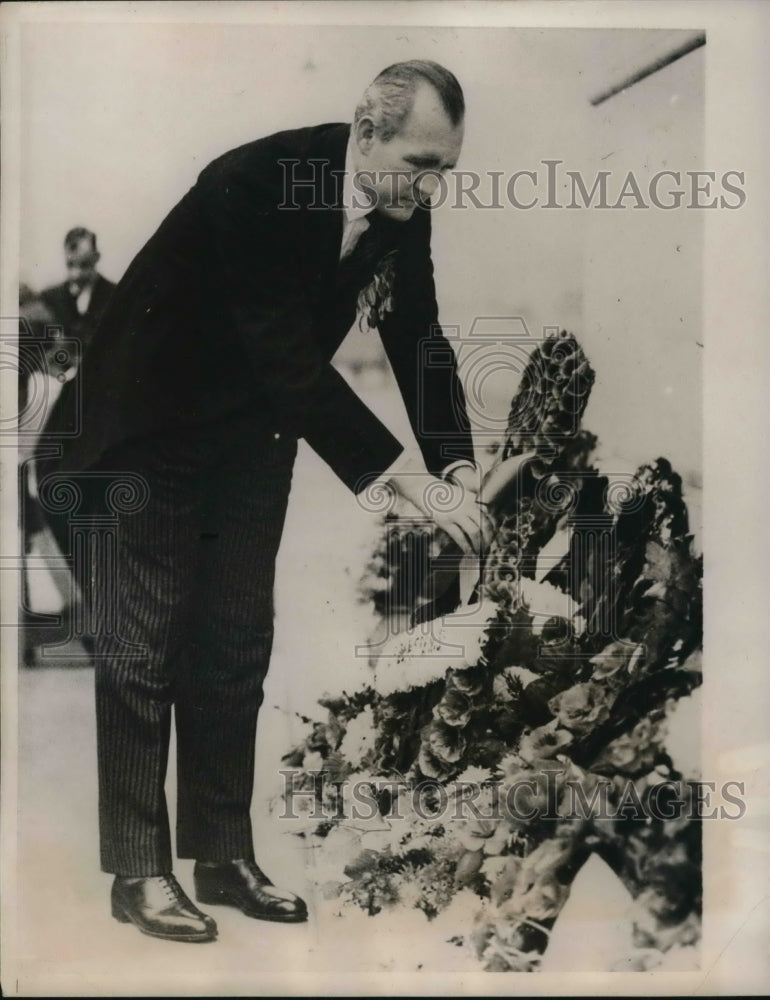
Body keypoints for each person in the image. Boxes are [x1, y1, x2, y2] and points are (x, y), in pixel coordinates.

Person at [38, 60, 490, 944]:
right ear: (367, 131)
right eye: (421, 164)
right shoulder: (258, 182)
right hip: (147, 432)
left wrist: (460, 470)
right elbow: (284, 356)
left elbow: (418, 337)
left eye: (447, 169)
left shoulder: (402, 207)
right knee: (145, 644)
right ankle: (138, 870)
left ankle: (221, 854)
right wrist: (408, 480)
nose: (434, 186)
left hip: (248, 440)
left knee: (237, 641)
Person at [39, 227, 116, 373]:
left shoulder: (114, 296)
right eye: (70, 265)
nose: (76, 274)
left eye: (84, 265)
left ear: (96, 257)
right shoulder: (50, 297)